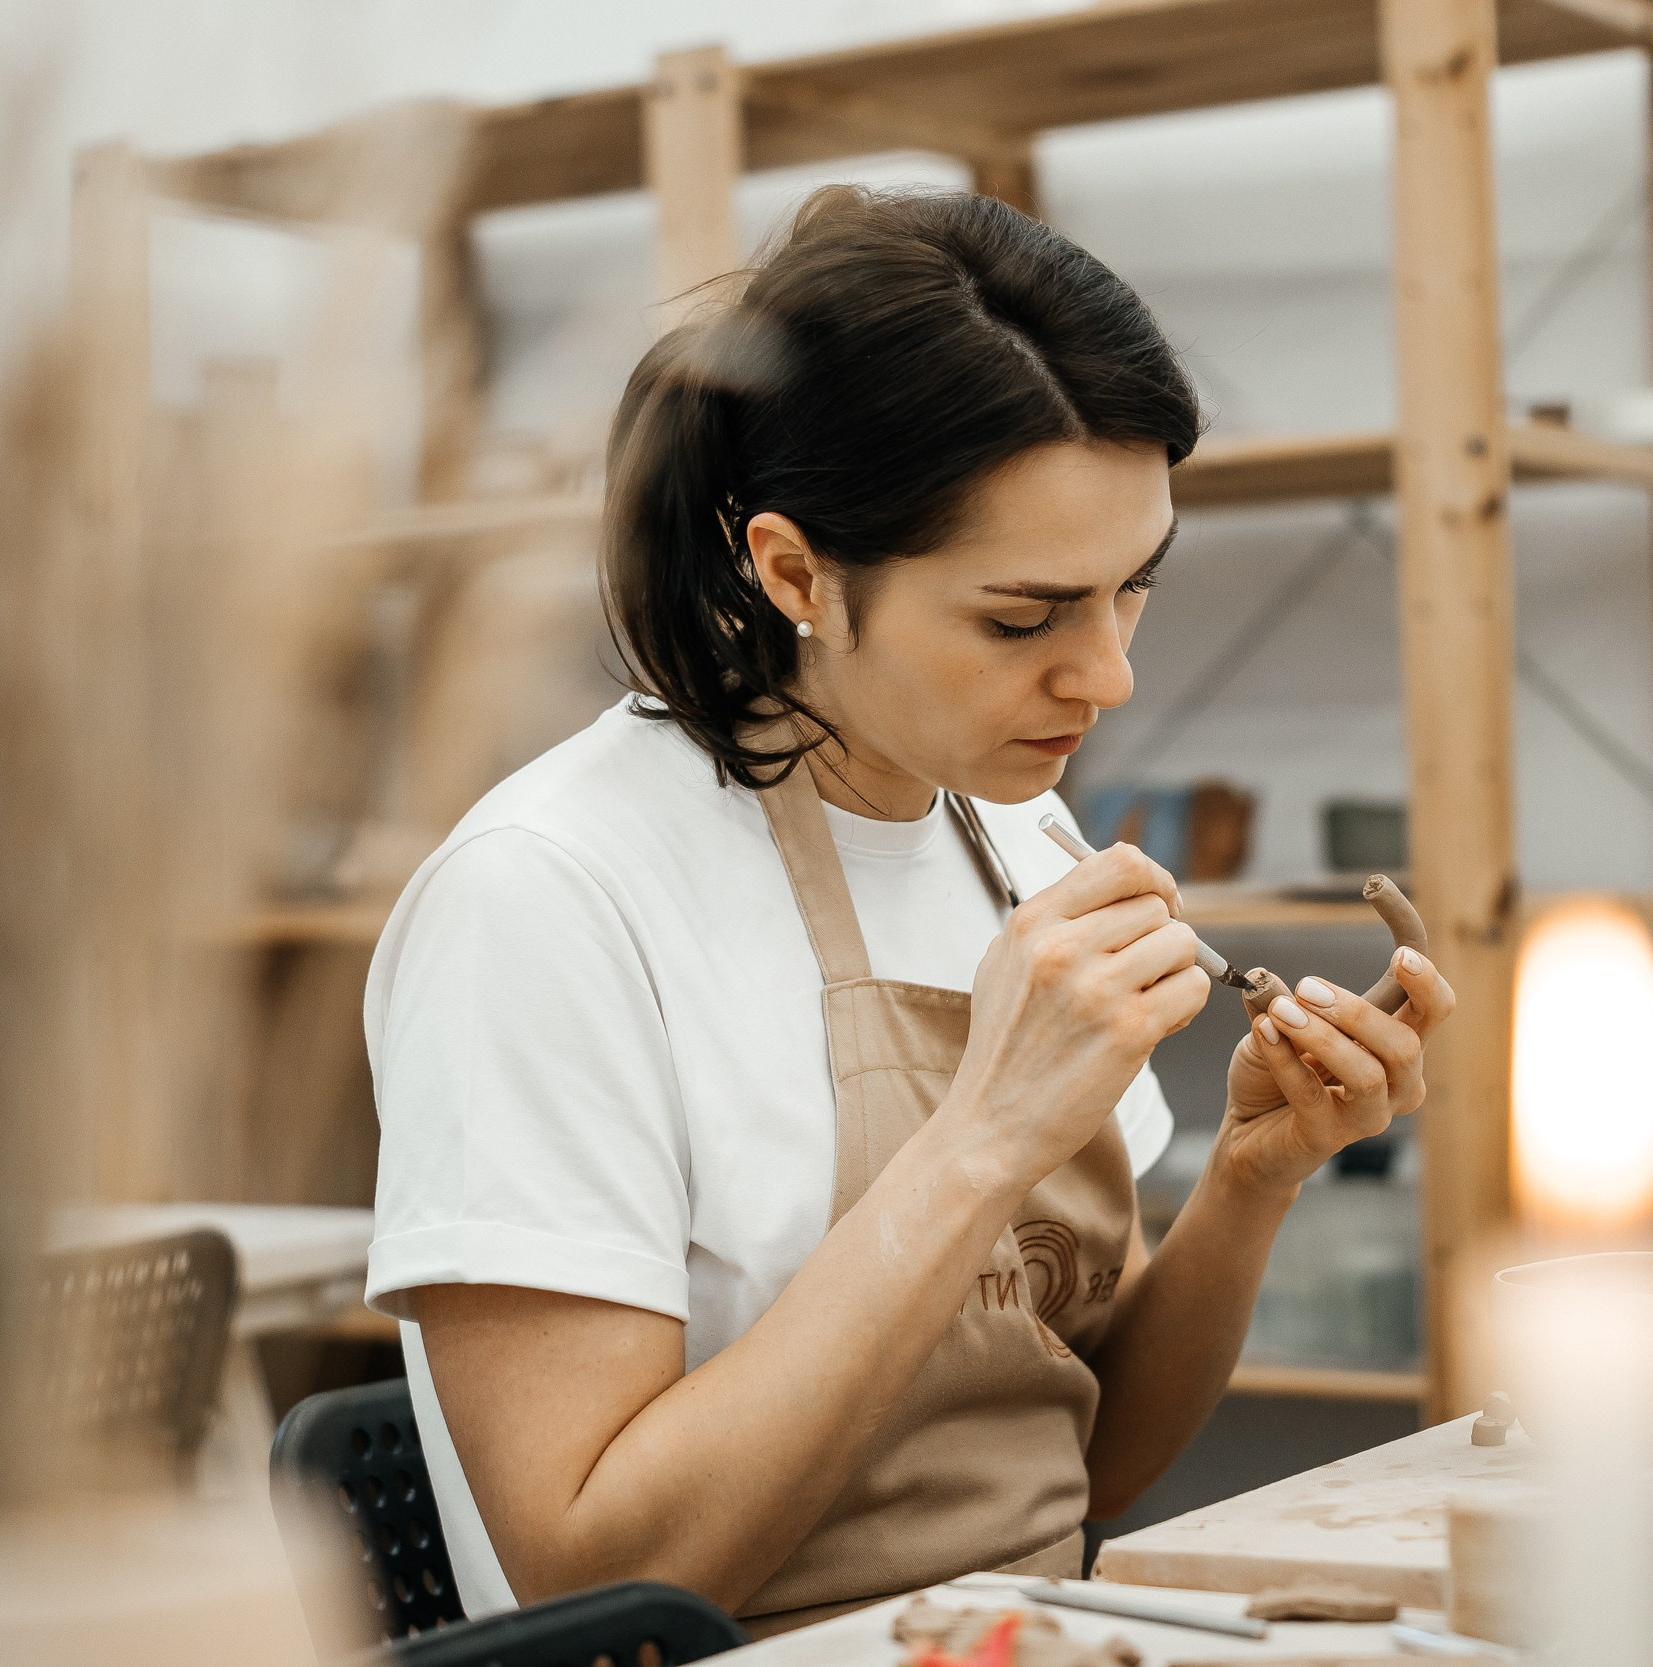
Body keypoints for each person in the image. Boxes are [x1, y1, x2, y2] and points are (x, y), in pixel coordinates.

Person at [363, 186, 1454, 1634]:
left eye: (1135, 588)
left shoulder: (1016, 836)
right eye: (1024, 618)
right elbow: (599, 1576)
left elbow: (1083, 1460)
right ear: (795, 571)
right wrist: (985, 1138)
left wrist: (1256, 1175)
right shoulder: (545, 902)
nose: (1109, 675)